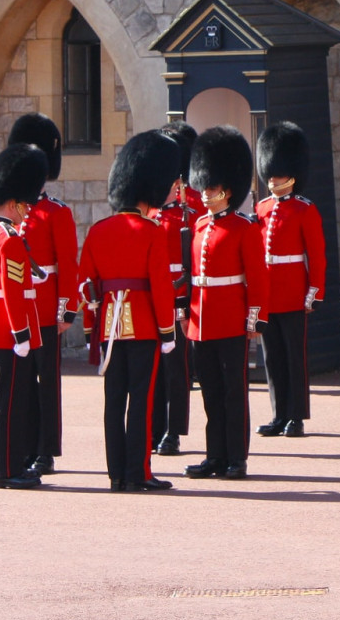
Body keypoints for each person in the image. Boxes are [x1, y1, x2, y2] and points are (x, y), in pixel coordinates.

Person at [79, 131, 179, 492]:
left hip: (109, 327)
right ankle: (139, 472)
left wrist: (92, 329)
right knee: (142, 400)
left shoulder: (98, 231)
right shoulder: (151, 231)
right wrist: (167, 332)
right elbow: (161, 286)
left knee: (113, 402)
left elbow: (86, 288)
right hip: (144, 327)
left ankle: (116, 473)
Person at [184, 126, 267, 480]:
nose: (206, 194)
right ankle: (214, 455)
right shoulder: (199, 226)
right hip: (200, 321)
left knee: (234, 393)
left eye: (212, 188)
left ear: (227, 191)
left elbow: (257, 277)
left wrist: (254, 319)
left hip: (231, 319)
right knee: (210, 394)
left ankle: (237, 457)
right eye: (204, 187)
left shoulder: (244, 228)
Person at [0, 143, 49, 490]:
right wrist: (21, 336)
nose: (28, 212)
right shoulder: (10, 240)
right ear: (14, 203)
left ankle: (8, 465)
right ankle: (7, 469)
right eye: (26, 206)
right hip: (7, 331)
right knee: (12, 404)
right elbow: (13, 294)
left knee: (5, 401)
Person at [6, 113, 79, 476]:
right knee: (19, 383)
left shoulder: (55, 213)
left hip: (47, 306)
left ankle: (45, 450)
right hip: (18, 308)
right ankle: (21, 445)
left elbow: (67, 264)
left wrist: (66, 310)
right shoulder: (10, 213)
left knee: (46, 381)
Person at [254, 121, 327, 438]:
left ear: (291, 173)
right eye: (270, 172)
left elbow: (317, 255)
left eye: (278, 172)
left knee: (295, 357)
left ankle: (296, 416)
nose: (273, 178)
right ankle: (278, 412)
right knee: (272, 358)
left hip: (294, 292)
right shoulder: (262, 208)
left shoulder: (304, 209)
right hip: (268, 294)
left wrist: (314, 292)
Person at [152, 121, 200, 457]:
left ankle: (173, 430)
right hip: (153, 296)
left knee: (177, 368)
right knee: (153, 366)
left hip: (181, 295)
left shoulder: (194, 205)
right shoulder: (152, 205)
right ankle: (154, 427)